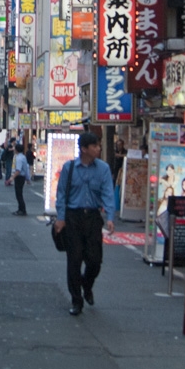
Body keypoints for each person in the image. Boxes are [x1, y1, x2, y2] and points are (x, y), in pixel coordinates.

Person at [53, 132, 115, 316]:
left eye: (98, 145)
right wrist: (61, 218)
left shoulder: (103, 168)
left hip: (93, 217)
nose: (98, 149)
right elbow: (61, 194)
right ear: (84, 149)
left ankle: (86, 285)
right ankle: (76, 300)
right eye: (95, 146)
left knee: (95, 260)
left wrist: (110, 217)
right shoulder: (69, 168)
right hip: (73, 217)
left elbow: (108, 193)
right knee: (74, 259)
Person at [10, 142, 32, 216]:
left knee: (19, 194)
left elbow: (18, 170)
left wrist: (12, 177)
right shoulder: (23, 157)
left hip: (19, 177)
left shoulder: (18, 158)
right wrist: (27, 178)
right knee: (20, 194)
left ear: (16, 150)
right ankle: (21, 209)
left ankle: (22, 210)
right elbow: (26, 168)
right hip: (22, 177)